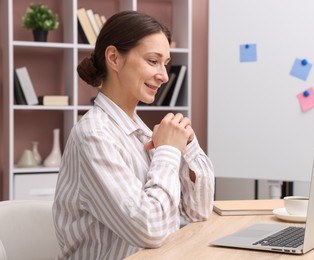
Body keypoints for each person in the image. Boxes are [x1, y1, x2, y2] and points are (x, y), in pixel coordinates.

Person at [52, 10, 215, 259]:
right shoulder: (95, 136)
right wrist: (169, 151)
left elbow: (199, 211)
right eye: (153, 61)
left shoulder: (141, 133)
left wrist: (187, 144)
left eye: (165, 63)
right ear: (114, 58)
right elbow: (149, 229)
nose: (163, 75)